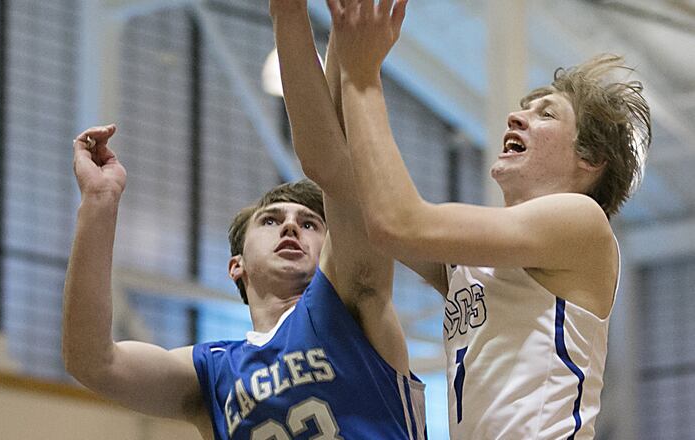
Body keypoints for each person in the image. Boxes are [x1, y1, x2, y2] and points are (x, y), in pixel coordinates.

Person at [316, 0, 652, 438]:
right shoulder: (475, 262)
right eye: (525, 108)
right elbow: (334, 170)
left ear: (590, 159)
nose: (517, 116)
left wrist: (363, 78)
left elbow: (397, 223)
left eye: (545, 113)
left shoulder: (581, 220)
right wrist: (343, 41)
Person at [62, 90, 425, 440]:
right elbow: (93, 362)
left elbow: (342, 172)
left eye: (310, 223)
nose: (290, 226)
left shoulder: (353, 308)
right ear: (237, 266)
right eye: (270, 220)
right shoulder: (213, 369)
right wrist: (99, 201)